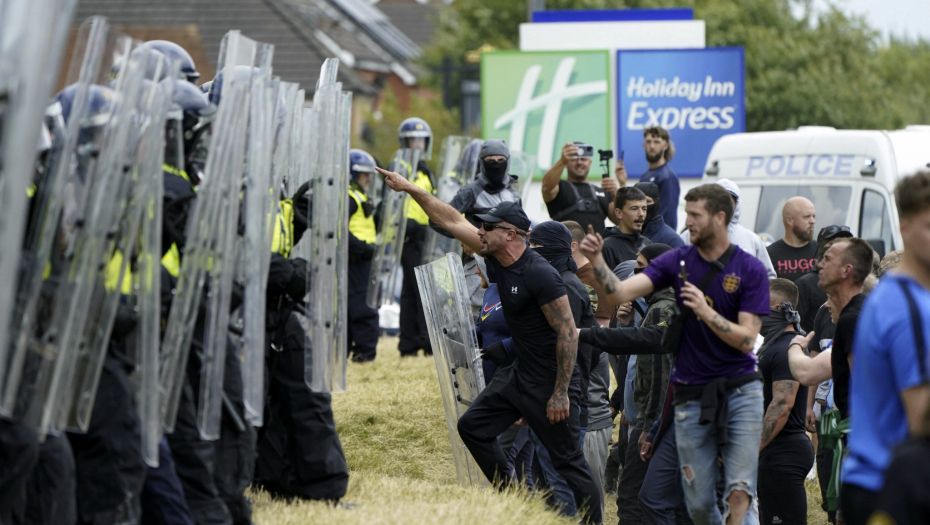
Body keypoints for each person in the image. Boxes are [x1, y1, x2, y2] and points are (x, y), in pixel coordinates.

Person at [376, 162, 603, 524]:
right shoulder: (496, 259)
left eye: (487, 226)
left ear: (510, 233)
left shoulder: (540, 274)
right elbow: (451, 220)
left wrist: (561, 392)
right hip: (519, 375)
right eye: (479, 225)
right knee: (472, 428)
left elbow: (567, 333)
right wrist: (410, 189)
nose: (479, 230)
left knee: (568, 465)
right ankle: (514, 500)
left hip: (551, 383)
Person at [580, 183, 770, 525]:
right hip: (690, 393)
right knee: (697, 504)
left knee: (738, 492)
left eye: (695, 215)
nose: (688, 221)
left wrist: (706, 312)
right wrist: (596, 260)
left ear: (720, 217)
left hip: (738, 391)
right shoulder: (677, 260)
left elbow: (746, 340)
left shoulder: (749, 269)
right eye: (687, 213)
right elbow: (620, 290)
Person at [841, 171, 930, 525]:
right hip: (891, 486)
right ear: (904, 228)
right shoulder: (907, 306)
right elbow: (921, 417)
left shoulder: (897, 295)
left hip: (878, 479)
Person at [578, 243, 676, 525]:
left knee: (632, 499)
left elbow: (660, 374)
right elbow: (637, 367)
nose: (636, 274)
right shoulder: (655, 307)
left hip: (650, 422)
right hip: (643, 419)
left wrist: (648, 427)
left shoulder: (662, 310)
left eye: (641, 268)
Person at [524, 221, 599, 518]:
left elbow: (579, 350)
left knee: (560, 484)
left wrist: (561, 392)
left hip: (561, 405)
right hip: (548, 399)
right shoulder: (556, 281)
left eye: (537, 248)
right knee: (545, 485)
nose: (531, 253)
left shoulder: (565, 286)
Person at [757, 279, 815, 525]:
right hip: (775, 452)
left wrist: (749, 449)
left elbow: (782, 405)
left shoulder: (784, 350)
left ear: (780, 307)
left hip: (782, 453)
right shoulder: (776, 347)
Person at [681, 178, 776, 279]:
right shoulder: (689, 236)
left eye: (729, 200)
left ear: (737, 203)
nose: (724, 205)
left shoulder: (752, 239)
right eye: (719, 200)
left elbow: (769, 276)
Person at [397, 117, 436, 357]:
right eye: (414, 139)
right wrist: (409, 225)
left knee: (411, 290)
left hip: (427, 236)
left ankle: (409, 342)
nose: (418, 144)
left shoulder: (425, 170)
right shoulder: (402, 168)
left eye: (422, 140)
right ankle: (423, 340)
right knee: (420, 289)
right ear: (405, 142)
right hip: (409, 236)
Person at [438, 139, 521, 230]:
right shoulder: (470, 191)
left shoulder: (514, 195)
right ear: (482, 162)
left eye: (501, 160)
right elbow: (440, 221)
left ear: (507, 161)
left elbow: (519, 231)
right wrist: (470, 236)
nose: (496, 164)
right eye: (490, 160)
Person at [346, 149, 380, 363]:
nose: (368, 178)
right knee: (363, 307)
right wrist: (364, 248)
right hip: (357, 259)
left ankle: (359, 351)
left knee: (361, 305)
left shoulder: (359, 196)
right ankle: (365, 354)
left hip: (363, 259)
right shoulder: (350, 197)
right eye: (363, 174)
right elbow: (339, 231)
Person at [542, 141, 619, 236]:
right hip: (567, 249)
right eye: (574, 159)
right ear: (566, 163)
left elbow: (621, 222)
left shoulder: (601, 192)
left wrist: (617, 195)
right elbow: (546, 187)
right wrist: (562, 161)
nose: (579, 162)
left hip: (597, 250)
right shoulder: (559, 187)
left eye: (583, 159)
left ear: (590, 163)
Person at [795, 226, 853, 333]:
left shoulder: (856, 282)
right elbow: (794, 326)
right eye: (832, 244)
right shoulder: (805, 284)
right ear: (821, 248)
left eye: (844, 244)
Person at [619, 126, 679, 230]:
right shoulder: (646, 175)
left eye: (657, 142)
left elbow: (668, 218)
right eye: (649, 141)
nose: (652, 146)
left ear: (665, 146)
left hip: (659, 241)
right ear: (644, 145)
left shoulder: (667, 177)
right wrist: (622, 183)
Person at [565, 220, 614, 328]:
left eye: (554, 244)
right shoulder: (568, 274)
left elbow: (601, 331)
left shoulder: (596, 281)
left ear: (572, 246)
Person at [767, 197, 818, 282]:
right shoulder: (769, 255)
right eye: (807, 217)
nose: (813, 221)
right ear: (790, 220)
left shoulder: (823, 252)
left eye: (813, 216)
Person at [601, 187, 651, 271]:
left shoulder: (647, 243)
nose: (641, 214)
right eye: (634, 209)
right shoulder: (606, 247)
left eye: (644, 209)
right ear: (619, 213)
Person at [633, 181, 684, 248]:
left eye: (647, 201)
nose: (641, 210)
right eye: (636, 202)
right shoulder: (626, 234)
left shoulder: (672, 241)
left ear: (657, 203)